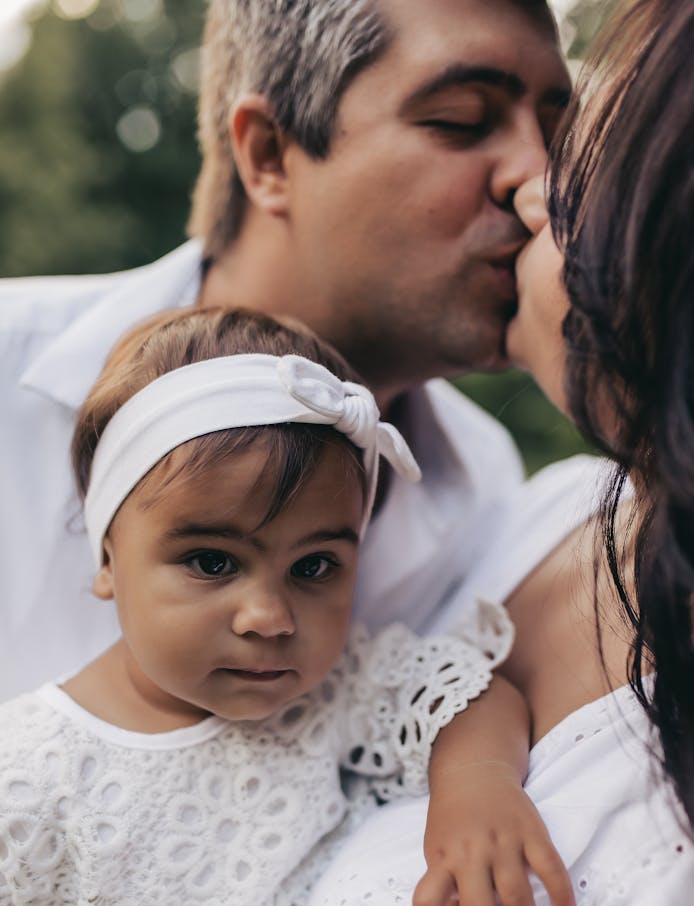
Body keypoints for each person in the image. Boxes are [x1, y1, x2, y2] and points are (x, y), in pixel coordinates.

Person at [274, 0, 694, 906]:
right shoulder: (548, 511)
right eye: (462, 122)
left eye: (580, 156)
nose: (532, 187)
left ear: (680, 252)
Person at [0, 306, 578, 906]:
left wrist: (478, 788)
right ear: (104, 556)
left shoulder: (333, 691)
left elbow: (465, 693)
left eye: (314, 566)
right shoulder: (31, 766)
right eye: (211, 561)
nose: (268, 614)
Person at [0, 0, 604, 702]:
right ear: (268, 155)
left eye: (560, 140)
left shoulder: (490, 496)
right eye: (462, 120)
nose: (541, 185)